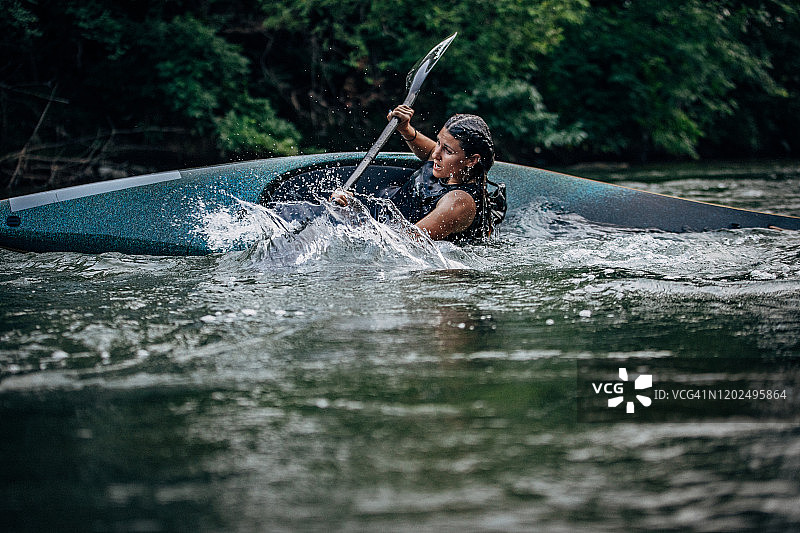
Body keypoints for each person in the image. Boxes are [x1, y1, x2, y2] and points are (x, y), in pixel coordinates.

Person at [332, 104, 502, 242]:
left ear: (472, 160)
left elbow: (405, 243)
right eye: (438, 142)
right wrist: (404, 128)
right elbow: (430, 152)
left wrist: (353, 215)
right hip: (377, 221)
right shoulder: (448, 166)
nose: (436, 154)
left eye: (447, 151)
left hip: (384, 240)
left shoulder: (459, 202)